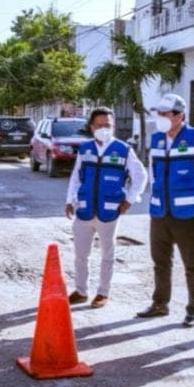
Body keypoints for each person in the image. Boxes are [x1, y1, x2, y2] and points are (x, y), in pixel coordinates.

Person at [135, 93, 194, 327]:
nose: (160, 117)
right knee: (160, 262)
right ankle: (160, 303)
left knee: (192, 264)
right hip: (160, 212)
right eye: (159, 113)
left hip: (188, 214)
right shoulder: (156, 139)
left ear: (179, 116)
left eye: (165, 113)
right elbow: (153, 172)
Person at [65, 107, 146, 309]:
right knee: (81, 254)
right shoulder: (85, 149)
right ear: (92, 127)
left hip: (109, 211)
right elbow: (76, 176)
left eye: (108, 125)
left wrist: (129, 199)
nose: (104, 129)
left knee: (107, 254)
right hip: (84, 209)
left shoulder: (123, 150)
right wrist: (69, 200)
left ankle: (103, 292)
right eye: (100, 125)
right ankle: (81, 291)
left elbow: (141, 176)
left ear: (114, 126)